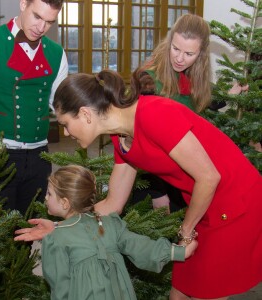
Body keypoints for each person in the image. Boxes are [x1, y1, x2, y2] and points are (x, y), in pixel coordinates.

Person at [16, 69, 261, 299]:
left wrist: (186, 230)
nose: (67, 133)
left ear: (85, 114)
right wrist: (62, 228)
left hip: (236, 202)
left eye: (65, 124)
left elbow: (209, 177)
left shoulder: (154, 114)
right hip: (204, 205)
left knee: (206, 291)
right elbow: (113, 203)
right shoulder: (121, 138)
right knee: (181, 291)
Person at [15, 165, 197, 300]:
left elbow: (59, 285)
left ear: (64, 203)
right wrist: (178, 251)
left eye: (49, 194)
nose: (45, 199)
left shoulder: (55, 239)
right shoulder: (109, 223)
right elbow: (140, 246)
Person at [132, 14, 249, 213]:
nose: (179, 58)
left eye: (189, 53)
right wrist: (158, 192)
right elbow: (140, 139)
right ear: (169, 42)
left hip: (180, 175)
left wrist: (230, 94)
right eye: (175, 48)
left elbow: (196, 103)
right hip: (153, 183)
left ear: (201, 54)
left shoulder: (191, 76)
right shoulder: (148, 80)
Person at [0, 0, 68, 215]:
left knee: (30, 222)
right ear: (23, 5)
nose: (41, 28)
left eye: (49, 22)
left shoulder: (57, 53)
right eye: (37, 16)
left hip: (39, 155)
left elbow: (61, 103)